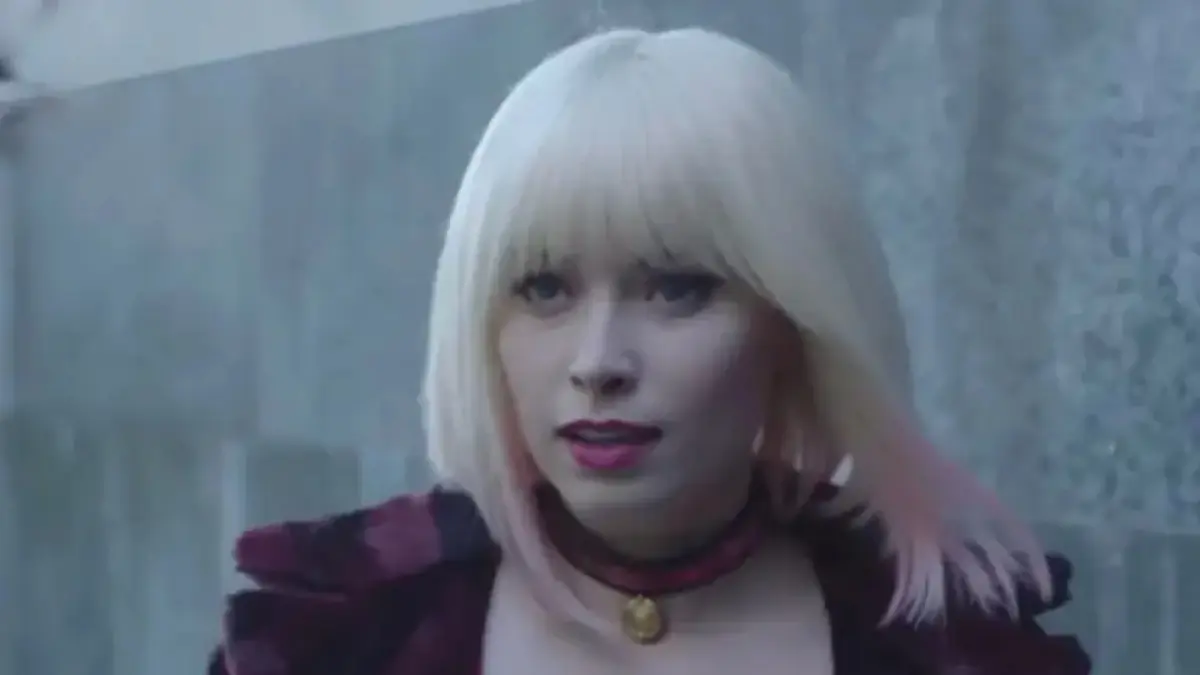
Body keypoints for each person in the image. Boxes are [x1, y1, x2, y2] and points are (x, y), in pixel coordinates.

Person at [208, 27, 1090, 675]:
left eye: (677, 288)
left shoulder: (956, 647)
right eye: (544, 288)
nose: (599, 361)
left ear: (793, 319)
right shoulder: (339, 636)